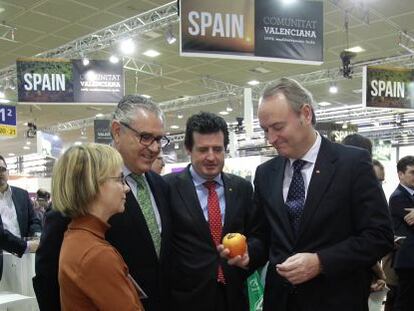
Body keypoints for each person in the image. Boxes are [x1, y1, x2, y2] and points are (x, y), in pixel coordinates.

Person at [252, 78, 393, 311]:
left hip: (336, 299)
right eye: (265, 130)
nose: (271, 139)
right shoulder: (266, 173)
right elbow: (263, 236)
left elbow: (379, 236)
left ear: (306, 114)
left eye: (278, 127)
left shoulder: (352, 164)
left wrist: (321, 262)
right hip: (281, 302)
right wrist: (247, 254)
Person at [33, 95, 172, 311]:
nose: (155, 148)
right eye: (146, 137)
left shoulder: (161, 186)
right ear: (117, 131)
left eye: (159, 139)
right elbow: (48, 272)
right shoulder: (84, 188)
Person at [164, 112, 266, 311]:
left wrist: (249, 254)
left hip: (235, 295)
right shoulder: (167, 188)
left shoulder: (242, 188)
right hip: (186, 299)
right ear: (188, 149)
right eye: (203, 149)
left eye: (218, 149)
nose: (211, 157)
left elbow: (258, 235)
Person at [53, 143, 143, 310]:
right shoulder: (96, 253)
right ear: (93, 184)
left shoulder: (78, 236)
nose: (126, 188)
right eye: (119, 179)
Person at [0, 155, 41, 280]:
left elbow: (34, 221)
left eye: (2, 169)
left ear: (8, 172)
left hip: (24, 257)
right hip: (3, 257)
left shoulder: (22, 194)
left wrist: (36, 237)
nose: (0, 173)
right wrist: (26, 245)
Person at [389, 155, 414, 311]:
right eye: (412, 172)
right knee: (405, 302)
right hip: (408, 260)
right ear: (400, 174)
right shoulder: (398, 197)